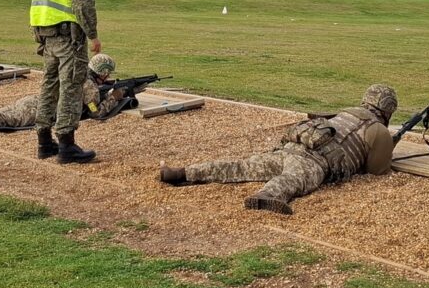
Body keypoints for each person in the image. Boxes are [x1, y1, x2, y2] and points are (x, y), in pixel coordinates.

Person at [159, 84, 399, 215]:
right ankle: (267, 196)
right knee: (291, 180)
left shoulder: (346, 112)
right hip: (315, 161)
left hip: (291, 147)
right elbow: (377, 170)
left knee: (240, 166)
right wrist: (388, 145)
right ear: (388, 110)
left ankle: (182, 173)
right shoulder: (378, 130)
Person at [0, 53, 128, 142]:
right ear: (103, 72)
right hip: (38, 111)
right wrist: (114, 98)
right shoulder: (90, 86)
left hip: (33, 101)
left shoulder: (76, 73)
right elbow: (96, 112)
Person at [30, 0, 105, 164]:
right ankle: (66, 145)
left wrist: (38, 35)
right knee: (71, 86)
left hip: (46, 33)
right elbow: (82, 2)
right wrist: (92, 35)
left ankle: (44, 142)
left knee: (48, 87)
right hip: (68, 36)